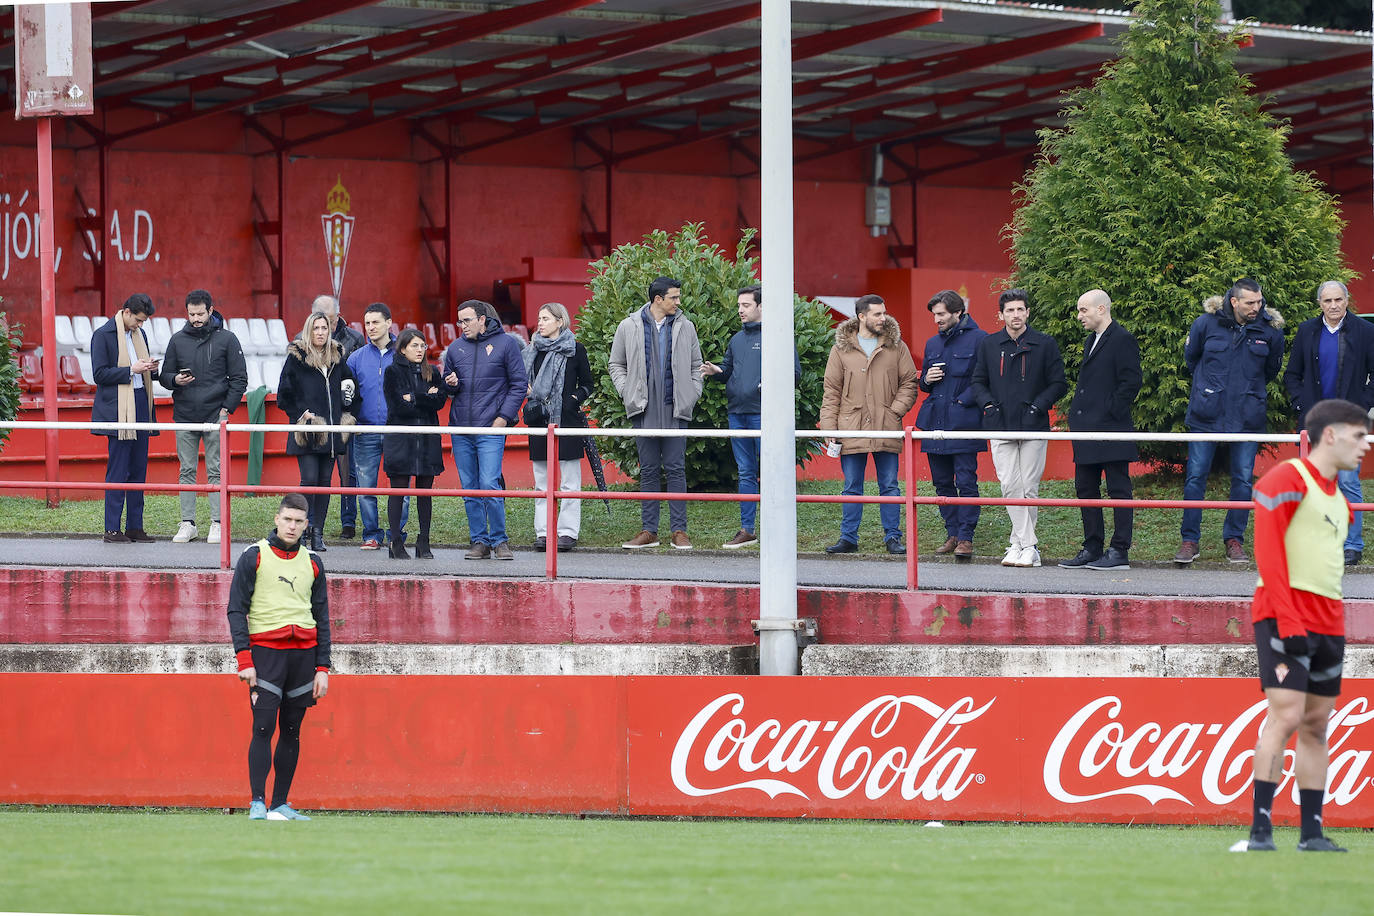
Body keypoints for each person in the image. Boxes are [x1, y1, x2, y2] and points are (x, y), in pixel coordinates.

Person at [1232, 398, 1370, 854]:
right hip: (1282, 614)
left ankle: (1312, 834)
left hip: (1329, 621)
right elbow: (1268, 554)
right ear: (1329, 435)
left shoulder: (1340, 496)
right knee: (1286, 715)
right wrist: (1289, 620)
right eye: (1358, 435)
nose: (1365, 445)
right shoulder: (1286, 479)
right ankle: (1261, 833)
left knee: (1316, 725)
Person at [227, 492, 331, 822]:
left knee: (291, 730)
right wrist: (244, 659)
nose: (292, 526)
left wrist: (323, 667)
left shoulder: (313, 561)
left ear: (305, 525)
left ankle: (280, 804)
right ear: (277, 518)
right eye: (287, 519)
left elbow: (322, 616)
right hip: (266, 654)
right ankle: (257, 802)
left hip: (303, 656)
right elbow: (235, 610)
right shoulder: (253, 555)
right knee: (263, 727)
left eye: (299, 521)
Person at [1176, 279, 1285, 565]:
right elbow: (1192, 360)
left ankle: (1234, 539)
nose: (1256, 307)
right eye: (1250, 302)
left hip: (1248, 416)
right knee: (1196, 477)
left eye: (1259, 301)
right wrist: (1210, 389)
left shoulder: (1270, 331)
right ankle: (1190, 541)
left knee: (1242, 479)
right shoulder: (1205, 324)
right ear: (1234, 302)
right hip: (1206, 414)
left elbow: (1271, 369)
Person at [968, 289, 1067, 568]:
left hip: (1033, 425)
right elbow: (978, 382)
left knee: (1029, 488)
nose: (1015, 315)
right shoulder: (989, 344)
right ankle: (1028, 545)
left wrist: (1038, 406)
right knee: (1010, 485)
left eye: (1020, 309)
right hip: (999, 425)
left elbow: (1058, 383)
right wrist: (988, 406)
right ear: (1001, 314)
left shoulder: (1044, 343)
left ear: (1028, 312)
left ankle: (1019, 545)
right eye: (1010, 310)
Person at [702, 284, 802, 549]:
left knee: (772, 472)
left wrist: (771, 383)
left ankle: (777, 530)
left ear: (761, 306)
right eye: (738, 305)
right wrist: (717, 371)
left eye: (745, 305)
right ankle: (747, 530)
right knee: (746, 472)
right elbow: (729, 370)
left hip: (764, 415)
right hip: (737, 414)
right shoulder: (736, 339)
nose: (740, 310)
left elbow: (794, 375)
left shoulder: (778, 336)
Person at [819, 293, 919, 555]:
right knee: (852, 486)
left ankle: (893, 538)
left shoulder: (896, 346)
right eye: (877, 314)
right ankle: (848, 538)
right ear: (861, 316)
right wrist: (829, 429)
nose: (883, 318)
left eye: (884, 313)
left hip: (885, 426)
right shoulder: (841, 349)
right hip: (850, 427)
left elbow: (909, 382)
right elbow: (831, 391)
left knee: (890, 485)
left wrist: (894, 411)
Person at [1283, 280, 1374, 566]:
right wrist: (1302, 404)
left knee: (1348, 482)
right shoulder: (1307, 331)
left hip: (1349, 423)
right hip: (1316, 423)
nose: (1333, 306)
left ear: (1347, 300)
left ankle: (1352, 545)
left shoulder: (1366, 331)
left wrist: (1361, 407)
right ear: (1320, 304)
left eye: (1338, 300)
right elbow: (1292, 375)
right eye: (1327, 301)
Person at [610, 275, 704, 550]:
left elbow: (696, 364)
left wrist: (692, 394)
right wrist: (627, 391)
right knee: (649, 470)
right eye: (674, 297)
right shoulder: (628, 326)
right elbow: (616, 364)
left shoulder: (686, 326)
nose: (679, 301)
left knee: (676, 469)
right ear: (658, 299)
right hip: (643, 408)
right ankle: (649, 531)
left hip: (675, 409)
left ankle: (679, 531)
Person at [1058, 290, 1142, 571]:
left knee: (1119, 489)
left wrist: (1108, 412)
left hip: (1110, 428)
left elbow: (1131, 382)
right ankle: (1092, 547)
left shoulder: (1122, 339)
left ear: (1101, 309)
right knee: (1086, 488)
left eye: (1084, 310)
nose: (1079, 316)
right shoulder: (1090, 340)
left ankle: (1119, 550)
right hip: (1087, 430)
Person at [159, 289, 248, 545]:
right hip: (185, 414)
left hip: (215, 414)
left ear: (211, 310)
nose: (196, 318)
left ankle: (217, 523)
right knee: (186, 469)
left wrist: (225, 410)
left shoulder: (228, 339)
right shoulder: (177, 340)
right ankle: (188, 523)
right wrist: (175, 379)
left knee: (216, 471)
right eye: (191, 314)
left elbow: (239, 379)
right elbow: (165, 376)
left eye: (200, 313)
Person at [442, 298, 527, 560]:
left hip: (491, 428)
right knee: (470, 488)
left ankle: (500, 540)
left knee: (489, 484)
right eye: (459, 321)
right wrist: (451, 384)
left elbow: (519, 384)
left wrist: (503, 417)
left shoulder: (507, 344)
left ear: (482, 319)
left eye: (467, 320)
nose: (462, 326)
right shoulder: (455, 349)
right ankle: (479, 541)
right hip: (461, 430)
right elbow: (449, 388)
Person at [277, 310, 359, 553]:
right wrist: (301, 414)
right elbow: (284, 396)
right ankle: (300, 531)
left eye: (324, 328)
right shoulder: (297, 357)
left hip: (333, 433)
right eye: (316, 328)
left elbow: (351, 389)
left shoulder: (337, 356)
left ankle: (317, 534)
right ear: (308, 330)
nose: (321, 333)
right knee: (309, 480)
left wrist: (348, 413)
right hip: (308, 432)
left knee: (325, 483)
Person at [914, 289, 986, 561]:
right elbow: (924, 386)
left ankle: (966, 538)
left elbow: (984, 379)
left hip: (965, 422)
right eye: (934, 315)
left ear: (958, 312)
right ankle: (953, 533)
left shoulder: (981, 340)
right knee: (941, 482)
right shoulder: (933, 343)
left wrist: (962, 402)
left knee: (966, 482)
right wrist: (926, 380)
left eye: (941, 314)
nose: (936, 320)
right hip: (935, 423)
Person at [522, 303, 593, 552]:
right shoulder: (531, 350)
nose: (539, 323)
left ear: (560, 321)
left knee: (570, 481)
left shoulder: (576, 350)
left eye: (545, 318)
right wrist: (528, 391)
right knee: (542, 481)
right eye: (539, 318)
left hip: (567, 421)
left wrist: (571, 402)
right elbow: (521, 381)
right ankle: (543, 533)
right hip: (538, 421)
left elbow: (587, 385)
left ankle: (567, 533)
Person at [91, 293, 160, 544]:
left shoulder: (139, 335)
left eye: (144, 322)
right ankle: (111, 529)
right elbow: (99, 374)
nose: (140, 325)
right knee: (118, 469)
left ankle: (135, 526)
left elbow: (145, 373)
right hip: (119, 407)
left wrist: (152, 368)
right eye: (139, 320)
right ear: (127, 312)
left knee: (139, 468)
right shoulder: (103, 334)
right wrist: (132, 370)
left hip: (141, 402)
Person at [346, 302, 407, 551]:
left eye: (375, 322)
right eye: (367, 323)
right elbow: (346, 395)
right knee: (365, 488)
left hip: (398, 431)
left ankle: (397, 534)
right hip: (365, 430)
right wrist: (352, 420)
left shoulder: (403, 356)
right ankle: (371, 534)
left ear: (389, 323)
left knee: (401, 489)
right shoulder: (355, 358)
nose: (370, 328)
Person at [383, 329, 448, 560]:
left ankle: (424, 541)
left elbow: (440, 400)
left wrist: (415, 397)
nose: (420, 350)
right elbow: (398, 406)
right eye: (414, 346)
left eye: (422, 345)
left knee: (425, 492)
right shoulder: (392, 372)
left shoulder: (432, 371)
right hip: (401, 440)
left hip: (427, 440)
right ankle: (396, 542)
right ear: (402, 349)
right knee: (398, 490)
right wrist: (425, 397)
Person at [311, 294, 364, 539]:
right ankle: (312, 524)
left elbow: (358, 379)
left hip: (346, 415)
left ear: (338, 317)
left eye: (331, 320)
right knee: (316, 475)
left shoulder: (354, 338)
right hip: (318, 418)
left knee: (348, 471)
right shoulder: (303, 341)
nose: (328, 326)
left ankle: (348, 522)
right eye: (322, 320)